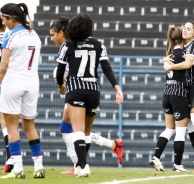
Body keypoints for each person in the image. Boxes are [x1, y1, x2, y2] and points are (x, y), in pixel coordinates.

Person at [50, 16, 124, 175]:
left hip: (75, 89)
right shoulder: (99, 44)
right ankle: (80, 165)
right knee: (86, 132)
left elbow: (61, 71)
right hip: (93, 91)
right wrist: (117, 89)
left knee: (77, 131)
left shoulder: (67, 45)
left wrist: (60, 86)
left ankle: (82, 166)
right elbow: (107, 69)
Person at [0, 3, 45, 179]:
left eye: (4, 19)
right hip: (32, 83)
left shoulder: (10, 35)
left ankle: (18, 168)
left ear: (11, 19)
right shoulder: (34, 34)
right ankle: (39, 166)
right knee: (30, 126)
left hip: (13, 82)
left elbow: (4, 64)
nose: (4, 23)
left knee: (12, 126)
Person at [164, 20, 194, 172]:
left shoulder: (193, 44)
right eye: (184, 28)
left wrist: (170, 66)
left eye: (188, 29)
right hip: (187, 88)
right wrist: (166, 59)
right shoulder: (184, 47)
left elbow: (186, 65)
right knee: (191, 124)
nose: (185, 30)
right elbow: (192, 64)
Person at [150, 26, 194, 172]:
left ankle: (156, 157)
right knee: (181, 131)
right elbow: (189, 66)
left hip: (167, 94)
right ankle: (177, 164)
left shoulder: (169, 53)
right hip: (178, 94)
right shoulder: (183, 54)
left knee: (169, 129)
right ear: (182, 38)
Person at [0, 17, 13, 173]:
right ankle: (11, 157)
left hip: (2, 79)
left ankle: (11, 158)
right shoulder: (11, 36)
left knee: (4, 120)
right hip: (12, 79)